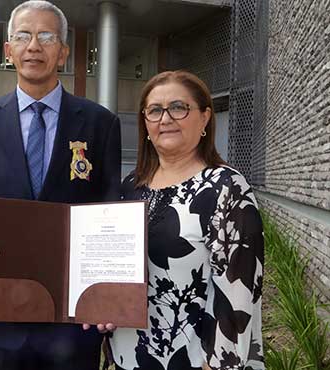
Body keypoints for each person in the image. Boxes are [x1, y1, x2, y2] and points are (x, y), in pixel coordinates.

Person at [0, 1, 122, 369]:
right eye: (24, 35)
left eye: (47, 36)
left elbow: (109, 210)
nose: (34, 45)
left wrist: (109, 295)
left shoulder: (100, 123)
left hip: (74, 318)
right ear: (9, 50)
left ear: (63, 52)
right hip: (4, 314)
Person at [111, 70, 264, 370]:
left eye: (178, 107)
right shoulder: (130, 186)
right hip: (130, 355)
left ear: (205, 117)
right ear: (145, 122)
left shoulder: (226, 188)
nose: (165, 119)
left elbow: (239, 291)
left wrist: (218, 363)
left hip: (196, 361)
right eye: (154, 110)